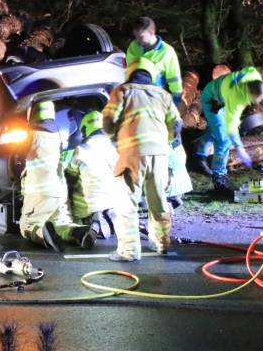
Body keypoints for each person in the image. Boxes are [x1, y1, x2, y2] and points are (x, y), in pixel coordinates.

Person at [103, 58, 182, 262]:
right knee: (158, 200)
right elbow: (177, 124)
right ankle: (162, 245)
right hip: (160, 155)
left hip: (133, 153)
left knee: (126, 201)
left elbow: (108, 120)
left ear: (130, 72)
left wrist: (114, 139)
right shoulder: (163, 95)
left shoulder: (123, 91)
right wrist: (167, 142)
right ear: (151, 74)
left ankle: (129, 251)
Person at [19, 101, 97, 252]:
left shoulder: (30, 136)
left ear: (34, 114)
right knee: (61, 222)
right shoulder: (58, 138)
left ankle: (43, 234)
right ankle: (78, 232)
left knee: (27, 225)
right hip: (60, 190)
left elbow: (16, 156)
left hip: (39, 192)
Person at [195, 67, 263, 193]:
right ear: (247, 92)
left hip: (220, 97)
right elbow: (231, 126)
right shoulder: (235, 98)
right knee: (224, 139)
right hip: (210, 100)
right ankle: (219, 177)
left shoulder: (254, 76)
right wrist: (240, 148)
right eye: (252, 100)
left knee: (215, 128)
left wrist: (238, 77)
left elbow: (249, 69)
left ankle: (200, 155)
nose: (252, 103)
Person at [66, 110, 124, 239]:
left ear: (85, 129)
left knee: (72, 188)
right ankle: (109, 216)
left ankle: (92, 223)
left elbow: (70, 173)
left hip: (93, 203)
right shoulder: (114, 147)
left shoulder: (81, 150)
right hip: (116, 199)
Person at [126, 16, 183, 106]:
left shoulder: (167, 51)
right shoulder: (133, 46)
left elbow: (174, 78)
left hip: (156, 99)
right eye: (136, 36)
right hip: (134, 97)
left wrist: (176, 99)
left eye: (140, 36)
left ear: (151, 32)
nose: (137, 40)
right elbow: (128, 70)